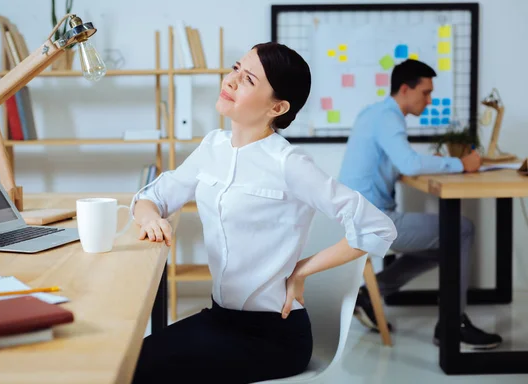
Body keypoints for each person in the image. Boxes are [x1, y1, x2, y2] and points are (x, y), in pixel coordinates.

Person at [130, 42, 397, 383]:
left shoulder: (289, 164)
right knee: (129, 360)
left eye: (249, 79)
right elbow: (150, 197)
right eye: (235, 69)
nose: (231, 81)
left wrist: (301, 270)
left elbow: (378, 228)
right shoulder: (212, 147)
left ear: (277, 107)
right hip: (220, 319)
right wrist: (151, 217)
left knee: (142, 370)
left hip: (273, 337)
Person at [339, 59, 503, 350]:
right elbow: (410, 163)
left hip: (356, 216)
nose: (429, 100)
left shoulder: (374, 113)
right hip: (370, 220)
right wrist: (461, 163)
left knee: (446, 244)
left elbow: (398, 163)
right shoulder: (389, 117)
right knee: (460, 230)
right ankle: (453, 323)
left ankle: (368, 296)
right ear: (405, 89)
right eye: (425, 93)